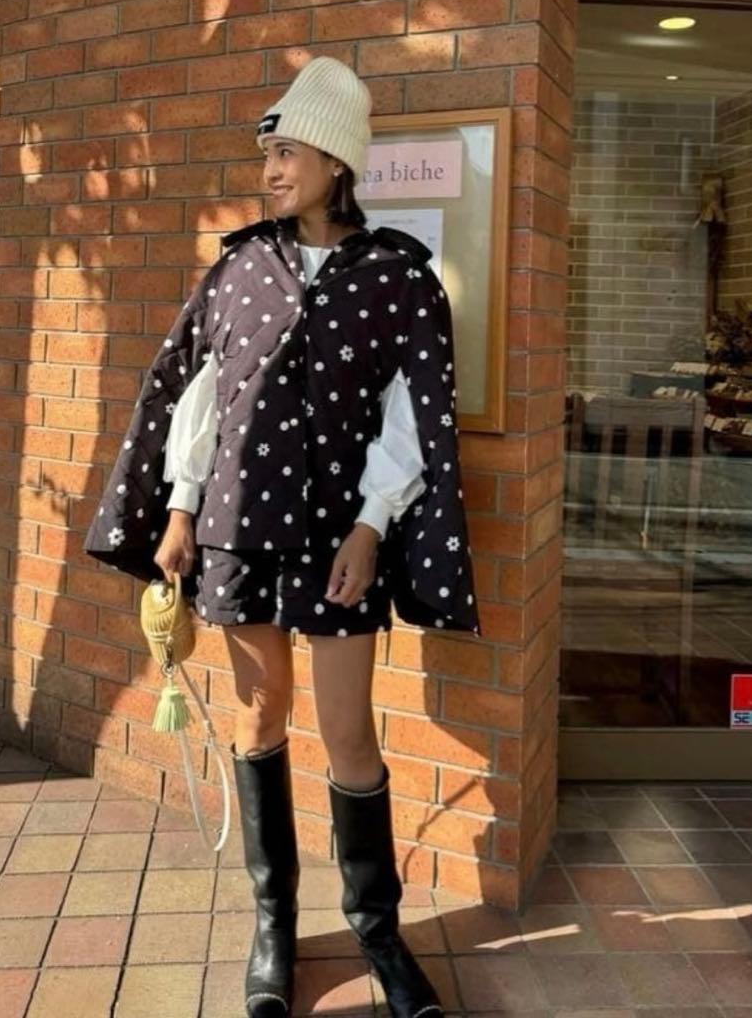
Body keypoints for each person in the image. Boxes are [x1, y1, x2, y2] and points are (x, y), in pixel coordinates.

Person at [85, 57, 480, 1018]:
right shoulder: (238, 268)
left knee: (348, 734)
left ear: (337, 161)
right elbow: (201, 399)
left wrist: (372, 526)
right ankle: (275, 926)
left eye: (290, 152)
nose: (270, 169)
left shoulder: (397, 276)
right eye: (267, 153)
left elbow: (412, 417)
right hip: (236, 530)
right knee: (261, 719)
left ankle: (378, 932)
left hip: (340, 538)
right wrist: (179, 513)